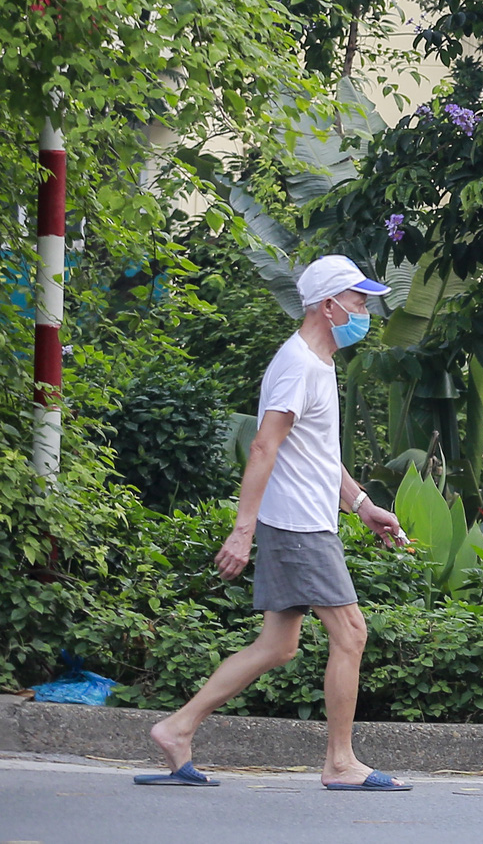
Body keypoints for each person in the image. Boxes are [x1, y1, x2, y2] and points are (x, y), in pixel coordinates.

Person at [138, 255, 413, 791]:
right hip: (298, 527)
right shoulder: (298, 364)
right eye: (357, 300)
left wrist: (361, 504)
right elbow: (264, 444)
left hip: (305, 521)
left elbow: (314, 455)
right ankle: (339, 763)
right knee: (352, 633)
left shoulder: (318, 363)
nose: (365, 310)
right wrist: (242, 530)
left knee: (278, 646)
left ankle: (177, 728)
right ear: (328, 305)